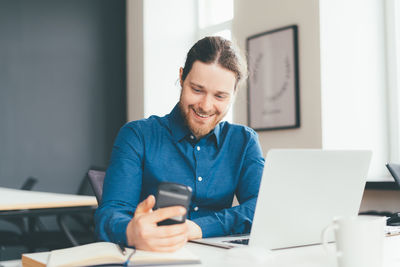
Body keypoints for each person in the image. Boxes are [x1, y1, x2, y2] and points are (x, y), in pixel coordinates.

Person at [95, 36, 265, 252]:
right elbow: (109, 214)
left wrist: (197, 228)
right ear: (182, 77)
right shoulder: (137, 135)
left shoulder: (244, 141)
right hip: (152, 258)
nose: (206, 105)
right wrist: (131, 230)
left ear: (234, 94)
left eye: (220, 96)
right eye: (197, 90)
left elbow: (262, 207)